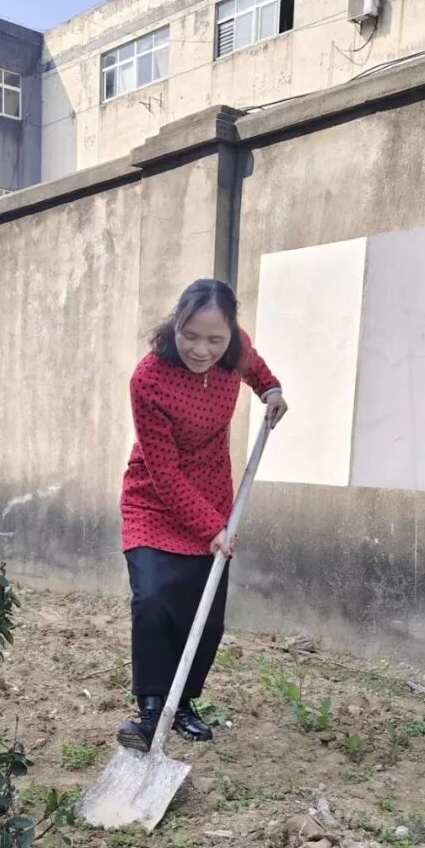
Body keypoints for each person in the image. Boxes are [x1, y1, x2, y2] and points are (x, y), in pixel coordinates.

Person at [117, 278, 288, 752]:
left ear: (230, 334)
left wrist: (271, 391)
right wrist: (212, 528)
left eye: (215, 339)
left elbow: (256, 369)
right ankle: (151, 712)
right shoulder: (149, 379)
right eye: (190, 335)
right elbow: (165, 472)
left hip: (213, 494)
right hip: (154, 500)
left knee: (205, 618)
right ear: (175, 323)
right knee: (153, 601)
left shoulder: (235, 349)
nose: (201, 349)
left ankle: (182, 704)